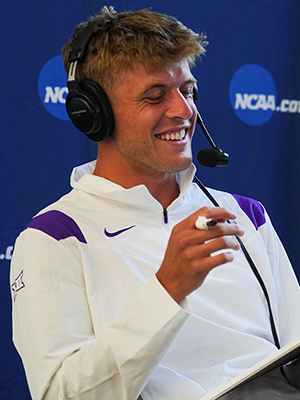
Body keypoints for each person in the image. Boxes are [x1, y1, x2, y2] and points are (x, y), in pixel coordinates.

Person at [10, 6, 300, 400]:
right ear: (93, 113)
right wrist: (168, 288)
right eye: (155, 96)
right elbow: (62, 393)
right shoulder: (56, 236)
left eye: (188, 90)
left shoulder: (248, 215)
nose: (184, 110)